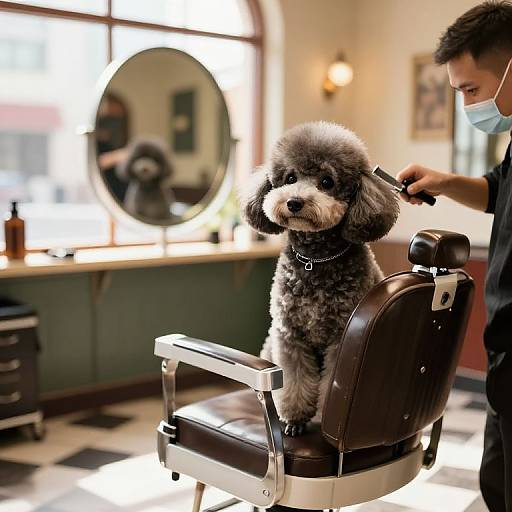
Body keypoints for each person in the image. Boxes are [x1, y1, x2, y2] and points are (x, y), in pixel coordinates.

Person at [396, 2, 512, 509]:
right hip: (504, 350)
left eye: (471, 89)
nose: (467, 104)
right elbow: (497, 191)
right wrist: (443, 183)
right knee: (497, 484)